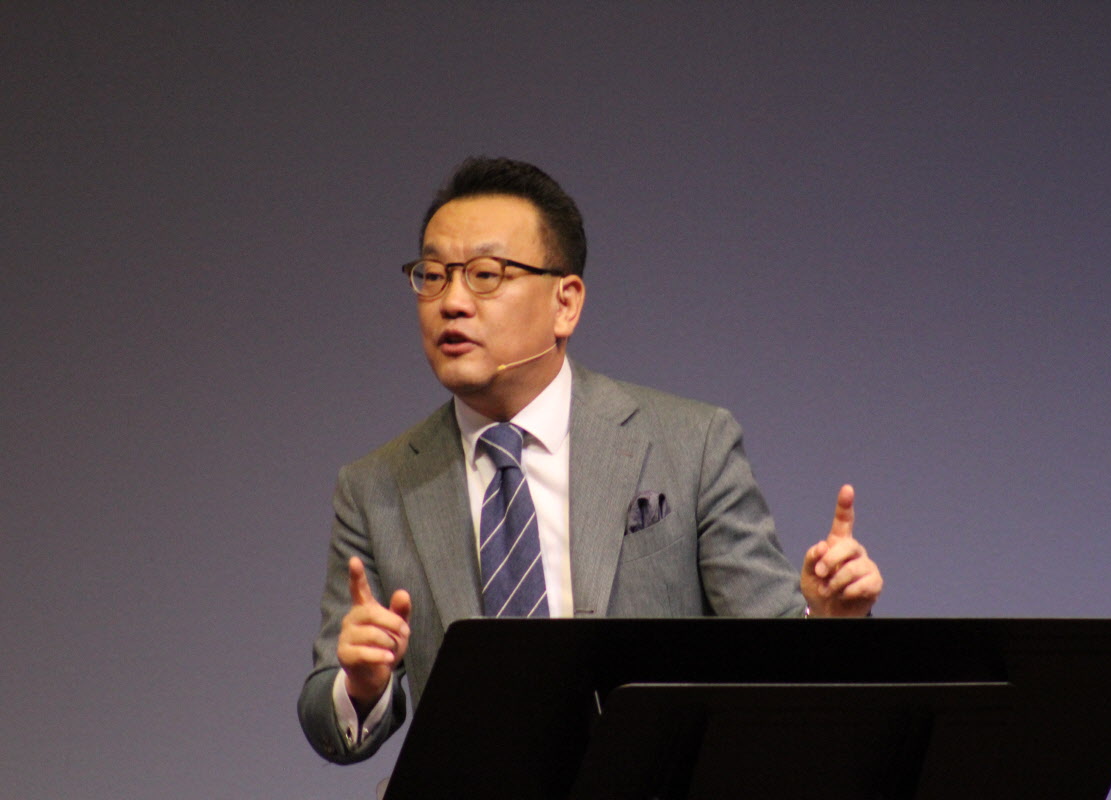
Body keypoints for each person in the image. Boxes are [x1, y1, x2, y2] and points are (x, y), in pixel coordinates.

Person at [298, 157, 883, 764]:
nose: (452, 302)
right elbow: (326, 711)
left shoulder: (691, 445)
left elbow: (774, 661)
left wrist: (829, 622)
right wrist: (360, 686)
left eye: (485, 275)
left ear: (566, 303)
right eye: (433, 275)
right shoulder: (377, 486)